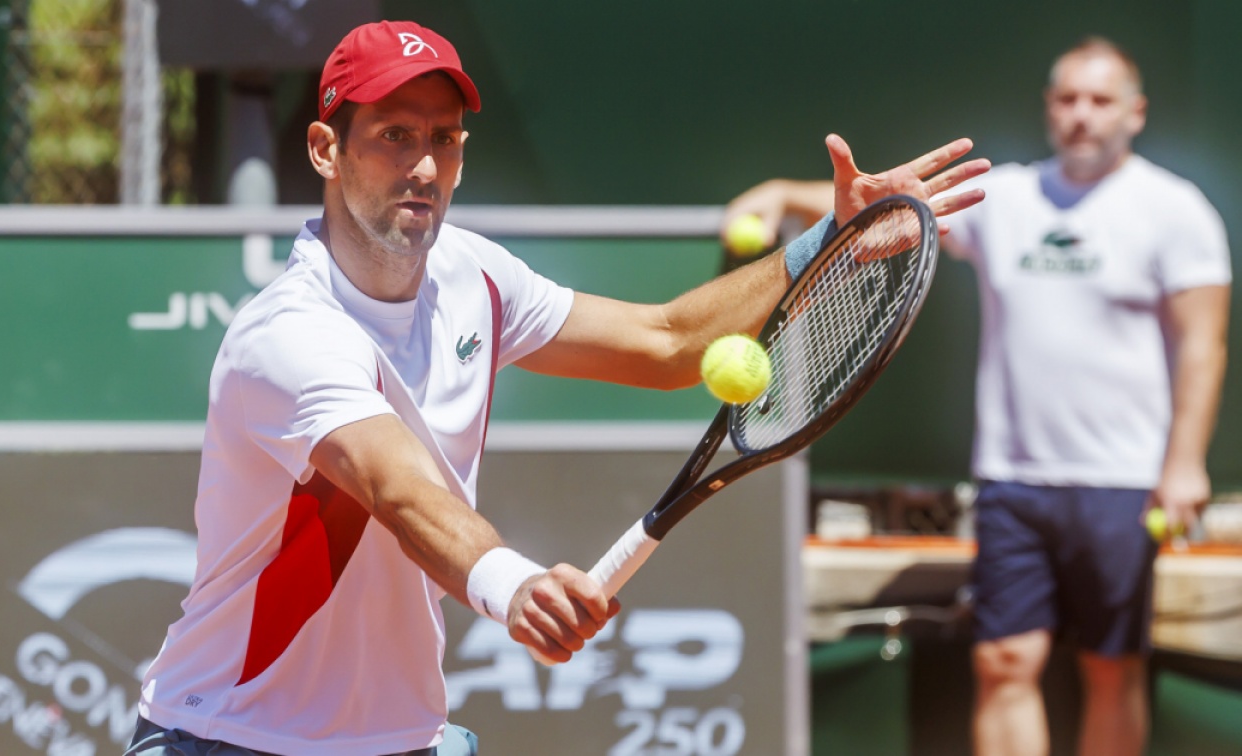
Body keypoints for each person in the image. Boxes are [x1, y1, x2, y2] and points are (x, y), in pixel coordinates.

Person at [125, 19, 988, 756]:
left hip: (399, 738)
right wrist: (513, 585)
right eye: (393, 134)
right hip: (232, 734)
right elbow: (398, 491)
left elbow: (664, 342)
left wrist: (827, 241)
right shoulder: (289, 334)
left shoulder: (474, 276)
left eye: (443, 139)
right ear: (326, 149)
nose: (423, 165)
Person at [726, 37, 1231, 756]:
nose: (1081, 114)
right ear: (1049, 108)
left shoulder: (1176, 210)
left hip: (1122, 483)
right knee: (1003, 661)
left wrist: (1184, 464)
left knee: (1111, 667)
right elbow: (888, 212)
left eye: (1100, 100)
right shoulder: (1009, 197)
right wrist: (783, 193)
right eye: (1067, 98)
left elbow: (1203, 344)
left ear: (1135, 113)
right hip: (1012, 483)